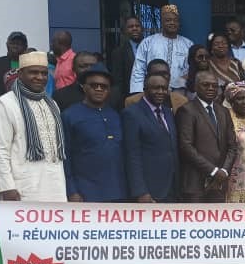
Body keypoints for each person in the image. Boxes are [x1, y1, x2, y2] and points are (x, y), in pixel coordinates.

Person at [0, 52, 67, 202]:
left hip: (55, 185)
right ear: (20, 74)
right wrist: (7, 187)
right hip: (21, 187)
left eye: (44, 73)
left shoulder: (52, 104)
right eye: (33, 72)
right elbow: (0, 149)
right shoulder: (4, 104)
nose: (40, 77)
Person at [61, 64, 126, 203]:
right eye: (94, 85)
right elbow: (65, 156)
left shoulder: (116, 115)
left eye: (104, 86)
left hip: (118, 192)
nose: (99, 89)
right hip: (85, 193)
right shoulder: (69, 115)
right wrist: (72, 191)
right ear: (84, 87)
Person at [177, 71, 238, 203]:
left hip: (219, 182)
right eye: (206, 85)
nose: (211, 88)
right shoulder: (187, 110)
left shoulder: (223, 111)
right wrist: (213, 171)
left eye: (214, 86)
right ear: (196, 87)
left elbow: (232, 145)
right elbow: (186, 147)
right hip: (195, 183)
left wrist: (224, 171)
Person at [122, 72, 178, 203]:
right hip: (148, 189)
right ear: (144, 89)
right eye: (156, 88)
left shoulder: (168, 112)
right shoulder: (132, 114)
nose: (161, 92)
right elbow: (132, 155)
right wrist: (140, 191)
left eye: (164, 88)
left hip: (171, 187)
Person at [129, 4, 194, 93]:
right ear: (162, 22)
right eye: (168, 20)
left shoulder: (188, 44)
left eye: (175, 20)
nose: (172, 23)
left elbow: (192, 70)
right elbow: (139, 70)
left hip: (180, 92)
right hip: (152, 91)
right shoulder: (148, 42)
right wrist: (138, 92)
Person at [126, 59, 190, 114]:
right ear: (147, 77)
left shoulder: (182, 101)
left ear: (170, 76)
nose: (160, 77)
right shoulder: (133, 101)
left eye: (164, 73)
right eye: (156, 74)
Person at [0, 31, 29, 104]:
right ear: (7, 45)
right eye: (13, 43)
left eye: (19, 44)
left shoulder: (29, 64)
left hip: (24, 104)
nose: (15, 46)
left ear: (25, 47)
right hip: (2, 105)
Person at [109, 16, 145, 106]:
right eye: (130, 27)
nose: (134, 28)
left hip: (152, 96)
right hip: (131, 98)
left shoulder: (152, 48)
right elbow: (118, 81)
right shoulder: (118, 52)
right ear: (124, 31)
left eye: (137, 26)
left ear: (142, 29)